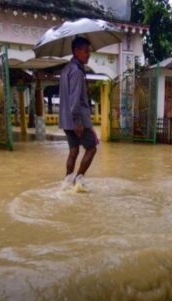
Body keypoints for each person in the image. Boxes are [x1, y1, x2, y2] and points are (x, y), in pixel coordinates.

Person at [59, 36, 99, 191]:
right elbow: (74, 99)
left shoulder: (66, 69)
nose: (88, 54)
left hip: (65, 120)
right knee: (92, 148)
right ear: (76, 51)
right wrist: (78, 122)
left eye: (89, 51)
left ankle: (67, 181)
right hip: (77, 119)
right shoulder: (76, 72)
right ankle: (78, 179)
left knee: (74, 150)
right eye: (86, 51)